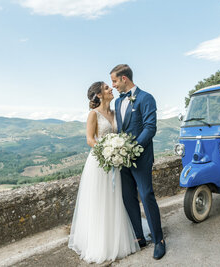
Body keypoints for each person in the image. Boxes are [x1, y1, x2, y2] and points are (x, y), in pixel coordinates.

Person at [68, 81, 139, 264]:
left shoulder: (115, 113)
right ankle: (100, 243)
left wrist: (117, 151)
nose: (111, 89)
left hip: (115, 161)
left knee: (115, 199)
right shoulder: (93, 114)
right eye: (107, 88)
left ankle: (116, 238)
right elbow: (90, 140)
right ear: (99, 95)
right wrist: (107, 150)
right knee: (100, 200)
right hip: (100, 162)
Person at [110, 64, 166, 260]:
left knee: (146, 195)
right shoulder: (118, 102)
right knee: (128, 198)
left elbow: (150, 128)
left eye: (115, 81)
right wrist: (117, 150)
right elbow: (120, 130)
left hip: (140, 157)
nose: (114, 85)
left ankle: (159, 240)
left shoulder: (146, 98)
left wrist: (132, 149)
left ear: (124, 78)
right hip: (122, 160)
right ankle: (139, 238)